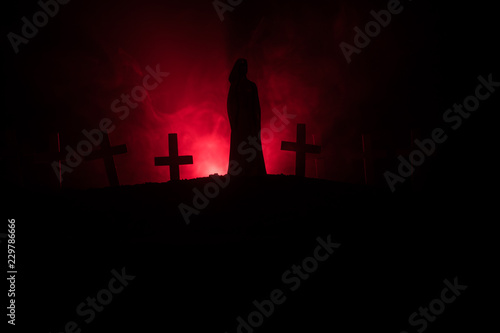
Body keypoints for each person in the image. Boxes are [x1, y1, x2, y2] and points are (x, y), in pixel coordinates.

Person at [227, 59, 267, 176]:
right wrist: (234, 122)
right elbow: (231, 104)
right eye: (242, 66)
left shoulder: (252, 85)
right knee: (240, 144)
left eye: (246, 66)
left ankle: (253, 169)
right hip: (240, 121)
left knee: (251, 143)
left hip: (250, 121)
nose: (244, 69)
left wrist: (257, 121)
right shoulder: (235, 86)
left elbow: (256, 105)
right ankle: (239, 170)